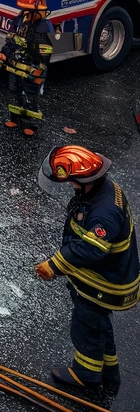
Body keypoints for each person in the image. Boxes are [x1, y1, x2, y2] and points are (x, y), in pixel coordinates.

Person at [35, 146, 139, 391]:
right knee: (100, 324)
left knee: (86, 326)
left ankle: (86, 375)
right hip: (111, 275)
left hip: (105, 283)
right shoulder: (103, 190)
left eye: (72, 182)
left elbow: (90, 249)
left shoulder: (104, 214)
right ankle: (107, 368)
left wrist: (54, 265)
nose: (71, 186)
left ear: (85, 180)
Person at [0, 0, 54, 135]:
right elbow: (11, 38)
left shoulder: (44, 26)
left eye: (29, 11)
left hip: (33, 67)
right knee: (13, 90)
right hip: (15, 64)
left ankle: (32, 123)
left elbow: (45, 51)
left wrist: (40, 70)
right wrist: (4, 53)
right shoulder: (19, 20)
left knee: (30, 93)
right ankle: (14, 118)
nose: (26, 14)